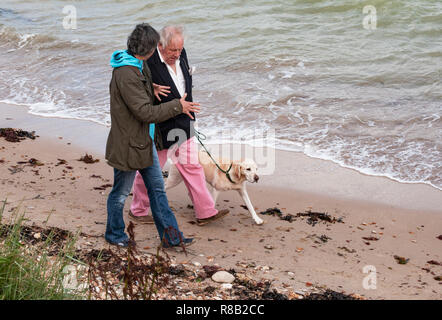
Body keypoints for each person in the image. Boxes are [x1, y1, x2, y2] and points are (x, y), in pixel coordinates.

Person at [105, 23, 200, 248]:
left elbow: (141, 95)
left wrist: (152, 90)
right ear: (148, 50)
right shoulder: (126, 73)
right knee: (120, 193)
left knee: (158, 191)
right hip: (128, 145)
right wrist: (177, 106)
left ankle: (171, 237)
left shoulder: (138, 64)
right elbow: (144, 112)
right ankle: (114, 234)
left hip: (145, 142)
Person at [129, 25, 229, 226]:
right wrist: (151, 87)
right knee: (149, 169)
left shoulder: (182, 55)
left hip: (184, 121)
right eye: (172, 51)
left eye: (179, 50)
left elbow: (185, 83)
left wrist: (190, 111)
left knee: (192, 166)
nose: (176, 54)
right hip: (159, 126)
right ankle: (138, 210)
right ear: (159, 45)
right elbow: (130, 83)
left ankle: (205, 212)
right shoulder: (147, 59)